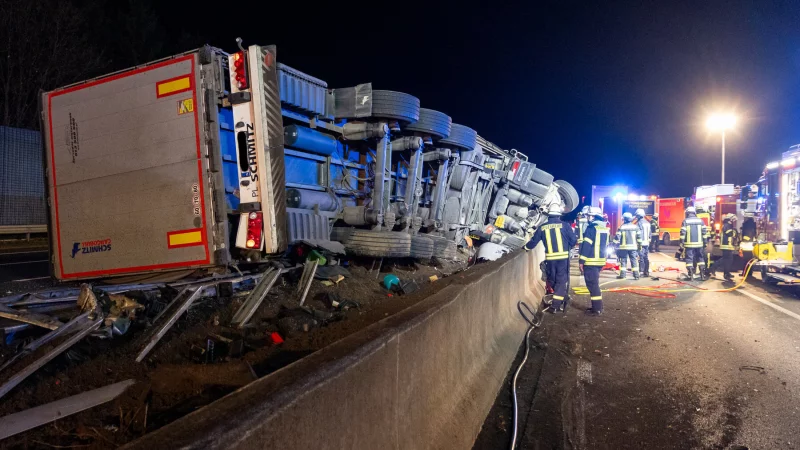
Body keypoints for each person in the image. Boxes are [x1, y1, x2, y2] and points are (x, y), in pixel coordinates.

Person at [526, 203, 577, 313]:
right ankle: (556, 305)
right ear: (559, 215)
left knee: (552, 280)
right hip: (563, 259)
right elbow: (573, 241)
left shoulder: (542, 227)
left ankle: (558, 301)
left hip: (550, 260)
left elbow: (533, 242)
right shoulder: (565, 226)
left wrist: (525, 247)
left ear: (548, 215)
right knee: (561, 281)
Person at [580, 206, 610, 316]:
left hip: (590, 261)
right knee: (594, 284)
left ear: (593, 216)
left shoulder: (591, 228)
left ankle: (597, 309)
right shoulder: (604, 228)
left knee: (593, 285)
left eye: (589, 216)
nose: (588, 218)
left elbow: (586, 246)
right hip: (599, 261)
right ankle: (596, 307)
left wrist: (581, 261)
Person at [680, 206, 709, 281]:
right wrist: (705, 242)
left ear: (687, 213)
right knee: (700, 258)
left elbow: (683, 233)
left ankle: (691, 275)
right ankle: (702, 275)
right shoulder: (701, 221)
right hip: (699, 244)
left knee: (689, 259)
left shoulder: (685, 221)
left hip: (689, 245)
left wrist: (681, 242)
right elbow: (704, 233)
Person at [614, 212, 642, 279]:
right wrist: (639, 246)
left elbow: (617, 238)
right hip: (633, 247)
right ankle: (636, 276)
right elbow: (639, 238)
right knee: (634, 260)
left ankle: (623, 275)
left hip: (623, 248)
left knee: (623, 261)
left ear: (624, 219)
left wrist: (614, 245)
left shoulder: (621, 227)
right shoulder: (635, 227)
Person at [720, 213, 739, 281]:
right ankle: (713, 269)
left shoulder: (727, 225)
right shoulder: (727, 225)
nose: (734, 221)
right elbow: (730, 234)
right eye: (733, 219)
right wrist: (735, 231)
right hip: (726, 245)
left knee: (727, 260)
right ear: (730, 219)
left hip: (728, 245)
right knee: (727, 260)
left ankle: (727, 273)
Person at [635, 208, 651, 277]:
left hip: (641, 243)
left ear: (639, 215)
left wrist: (638, 243)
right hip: (647, 243)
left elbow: (639, 234)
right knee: (646, 257)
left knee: (641, 257)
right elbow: (650, 234)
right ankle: (646, 271)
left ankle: (641, 271)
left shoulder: (639, 223)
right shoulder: (647, 223)